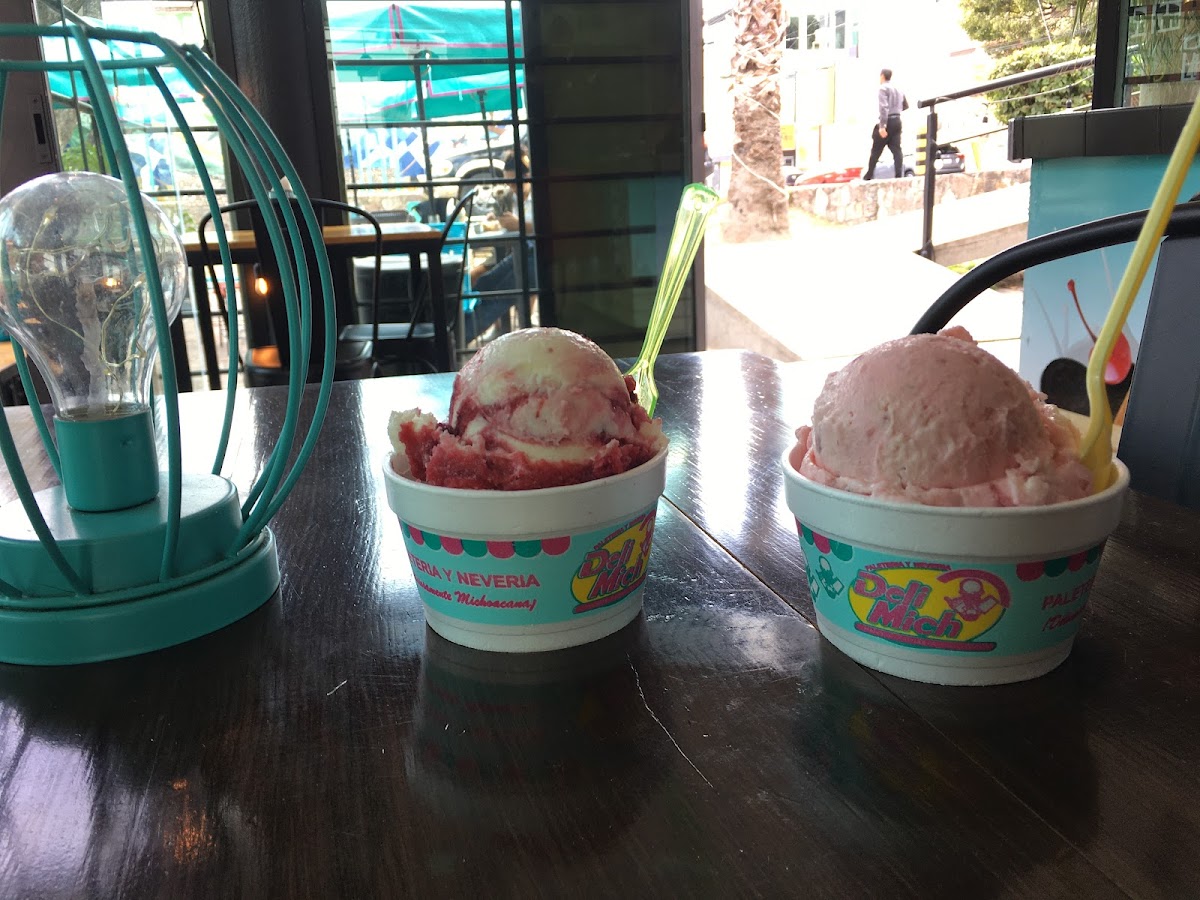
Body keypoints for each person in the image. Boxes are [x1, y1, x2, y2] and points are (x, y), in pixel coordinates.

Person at [863, 68, 907, 181]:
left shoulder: (882, 89)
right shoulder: (899, 89)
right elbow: (906, 105)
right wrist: (897, 109)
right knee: (897, 149)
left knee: (876, 149)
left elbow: (883, 107)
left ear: (882, 76)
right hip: (897, 120)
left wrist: (882, 126)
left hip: (887, 120)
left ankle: (869, 175)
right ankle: (899, 175)